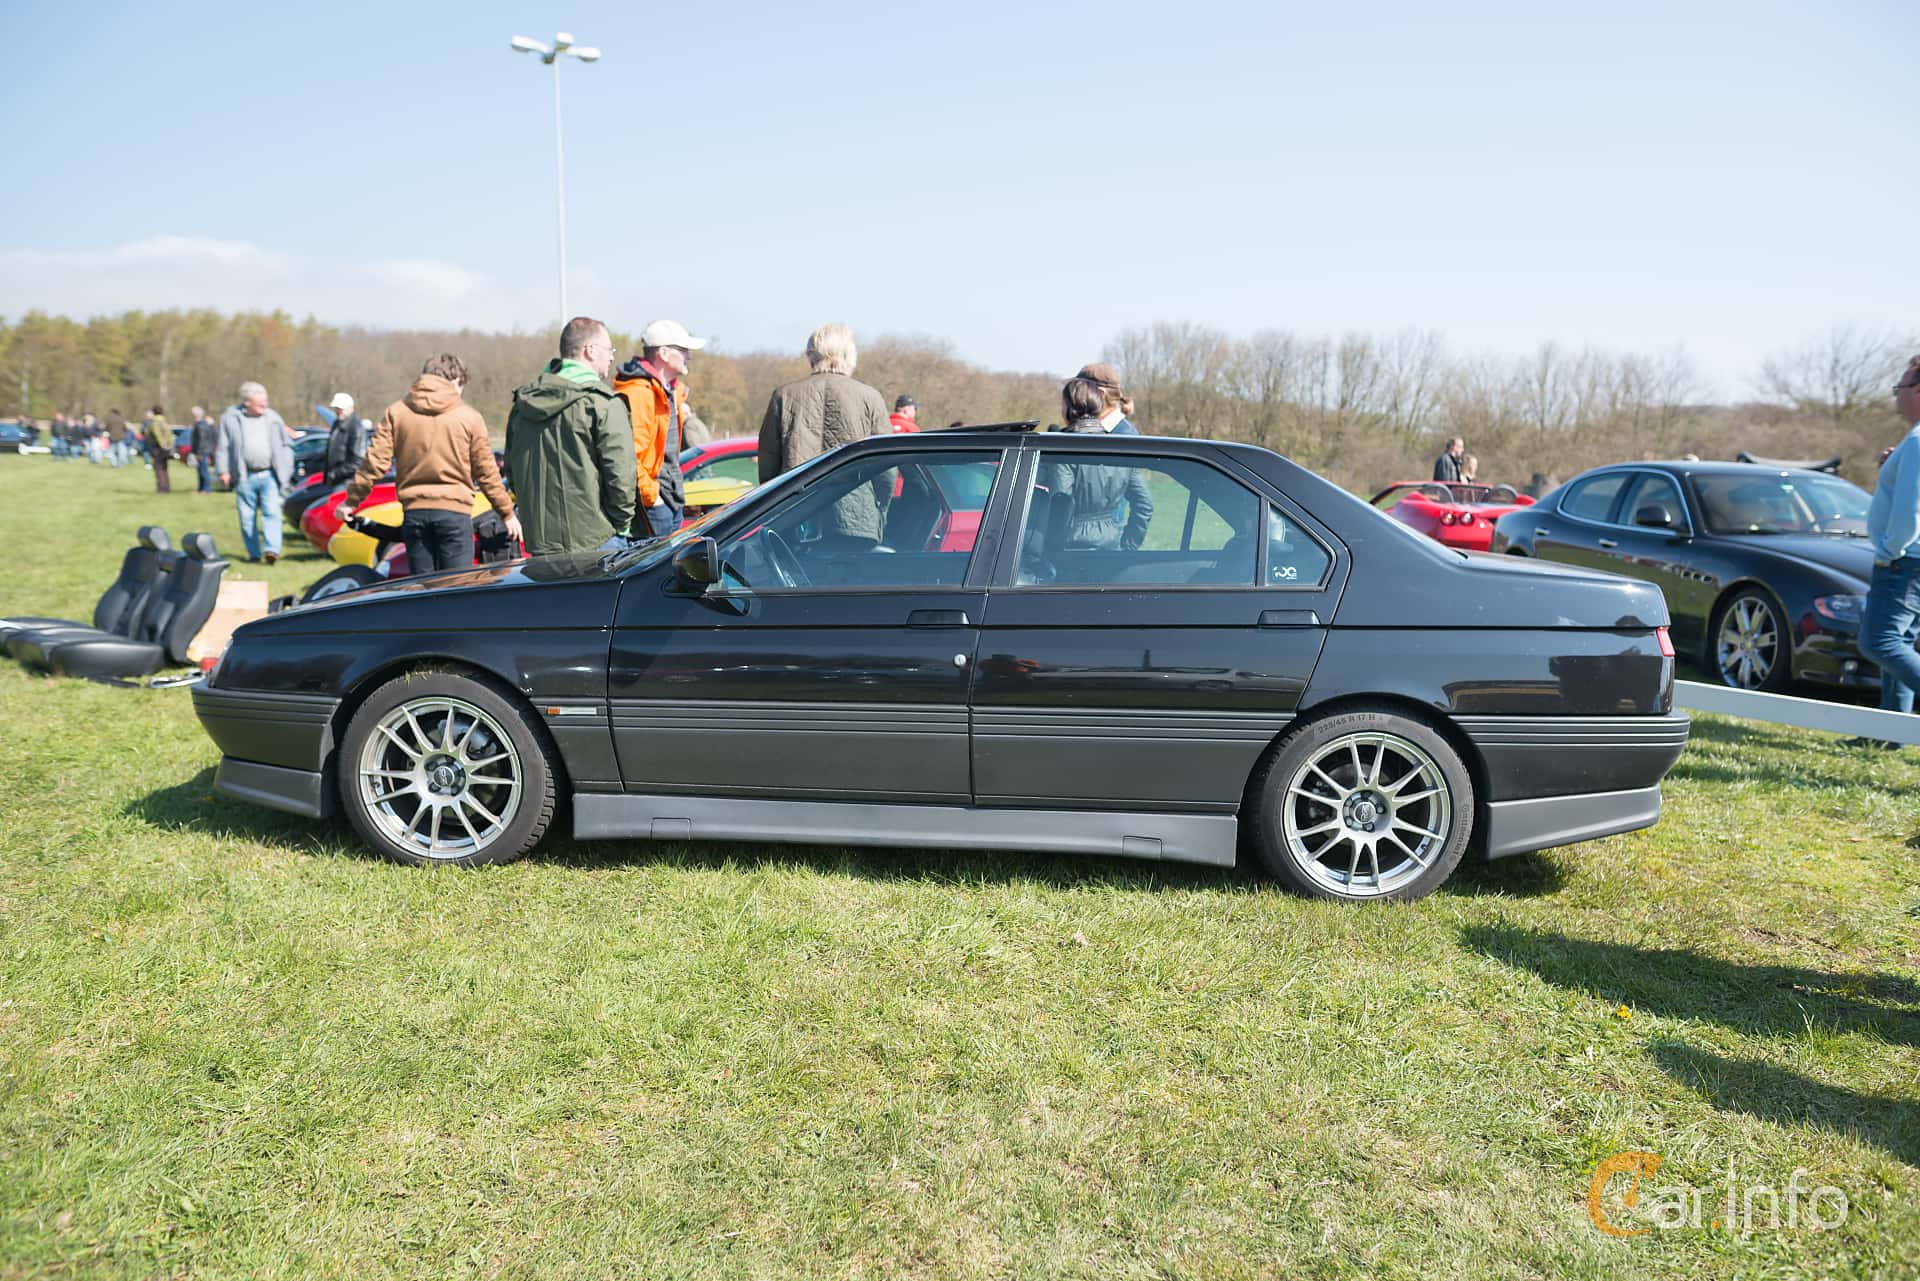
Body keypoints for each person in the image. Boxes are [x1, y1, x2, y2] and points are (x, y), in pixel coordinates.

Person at [341, 355, 520, 575]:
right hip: (455, 514)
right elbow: (486, 473)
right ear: (455, 379)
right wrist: (507, 513)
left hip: (415, 515)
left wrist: (351, 501)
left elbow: (375, 462)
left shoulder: (396, 412)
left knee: (422, 589)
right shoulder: (469, 417)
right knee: (456, 588)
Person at [503, 316, 637, 556]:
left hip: (540, 544)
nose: (612, 357)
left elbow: (512, 472)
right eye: (609, 349)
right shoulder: (602, 404)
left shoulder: (523, 405)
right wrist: (621, 526)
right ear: (590, 350)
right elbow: (621, 477)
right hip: (598, 541)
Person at [1855, 357, 1920, 744]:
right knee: (1900, 642)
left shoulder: (1917, 442)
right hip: (1912, 560)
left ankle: (1887, 734)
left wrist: (1890, 550)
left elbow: (1910, 511)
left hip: (1904, 560)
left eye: (1900, 388)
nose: (1896, 396)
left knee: (1879, 642)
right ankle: (1888, 734)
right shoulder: (1912, 444)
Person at [758, 323, 891, 481]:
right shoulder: (870, 397)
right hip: (855, 493)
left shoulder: (783, 396)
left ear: (811, 355)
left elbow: (768, 464)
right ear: (849, 355)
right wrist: (880, 497)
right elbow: (886, 466)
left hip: (799, 495)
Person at [613, 319, 707, 539]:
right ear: (664, 353)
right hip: (655, 505)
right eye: (683, 350)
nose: (688, 356)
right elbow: (631, 458)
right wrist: (653, 498)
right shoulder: (640, 394)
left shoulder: (670, 392)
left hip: (670, 499)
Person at [1041, 377, 1154, 551]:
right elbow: (1145, 504)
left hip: (1070, 550)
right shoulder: (1122, 449)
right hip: (1111, 547)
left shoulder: (1064, 452)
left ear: (1067, 408)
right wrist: (1128, 548)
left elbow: (1060, 507)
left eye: (1062, 404)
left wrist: (1048, 552)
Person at [216, 380, 293, 563]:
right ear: (247, 402)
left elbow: (286, 444)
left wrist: (287, 467)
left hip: (269, 474)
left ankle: (272, 550)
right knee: (247, 517)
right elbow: (223, 447)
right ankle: (254, 554)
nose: (264, 405)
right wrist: (223, 471)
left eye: (265, 402)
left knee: (272, 512)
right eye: (260, 403)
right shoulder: (231, 418)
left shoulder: (273, 417)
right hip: (244, 476)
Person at [1074, 363, 1140, 434]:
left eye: (1080, 391)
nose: (1074, 396)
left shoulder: (1125, 434)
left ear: (1100, 395)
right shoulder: (1084, 428)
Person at [324, 391, 367, 487]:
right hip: (337, 479)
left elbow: (358, 461)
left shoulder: (356, 428)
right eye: (337, 408)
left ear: (351, 408)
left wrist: (335, 474)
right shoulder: (337, 424)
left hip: (348, 481)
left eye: (341, 409)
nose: (338, 411)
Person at [145, 405, 174, 493]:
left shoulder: (155, 422)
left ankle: (162, 489)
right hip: (166, 448)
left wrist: (162, 444)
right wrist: (169, 445)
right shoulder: (164, 421)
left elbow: (156, 434)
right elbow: (170, 435)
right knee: (164, 468)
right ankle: (167, 488)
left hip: (158, 448)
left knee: (158, 469)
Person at [189, 406, 218, 492]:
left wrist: (199, 453)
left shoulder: (201, 425)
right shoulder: (200, 424)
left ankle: (206, 489)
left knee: (203, 470)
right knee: (200, 470)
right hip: (201, 451)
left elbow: (201, 440)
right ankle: (201, 489)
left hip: (202, 451)